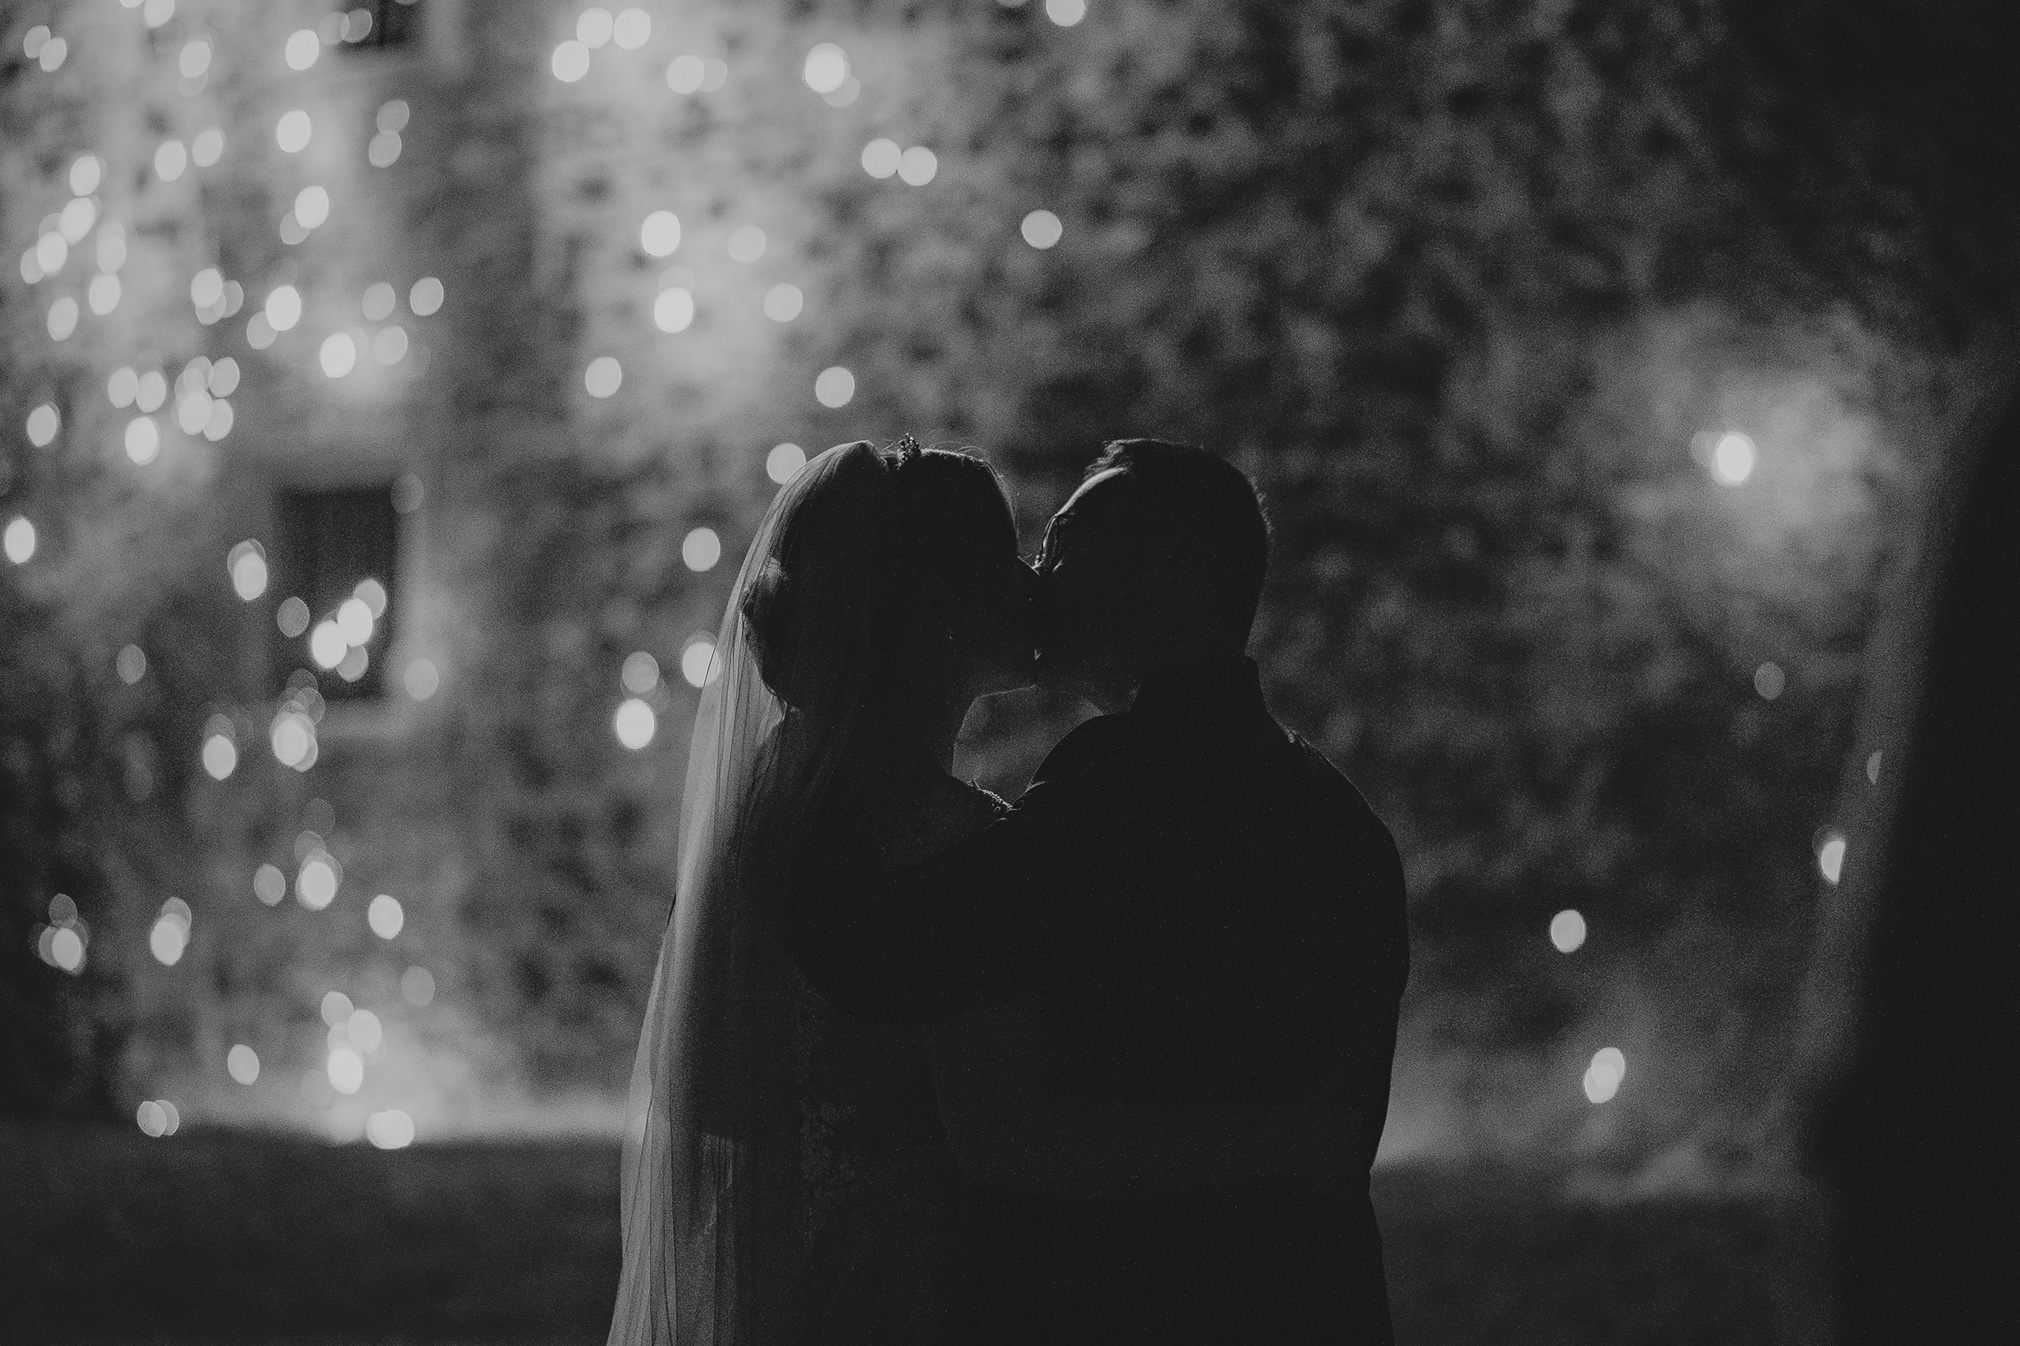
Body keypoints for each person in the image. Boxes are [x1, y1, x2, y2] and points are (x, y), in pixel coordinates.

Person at [787, 439, 1412, 1344]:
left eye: (1067, 544)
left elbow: (898, 953)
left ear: (1170, 577)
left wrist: (793, 821)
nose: (1034, 573)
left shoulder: (1121, 782)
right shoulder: (1341, 818)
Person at [605, 437, 1042, 1346]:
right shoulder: (945, 839)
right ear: (939, 611)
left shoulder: (777, 793)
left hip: (796, 1280)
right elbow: (1006, 1132)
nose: (1031, 581)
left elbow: (698, 1090)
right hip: (922, 1291)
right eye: (1004, 559)